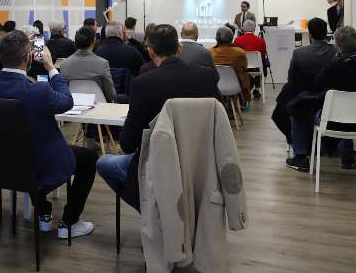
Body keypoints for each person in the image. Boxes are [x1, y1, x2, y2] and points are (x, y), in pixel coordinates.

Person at [0, 31, 98, 239]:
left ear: (0, 55)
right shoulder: (39, 91)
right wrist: (50, 67)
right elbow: (67, 101)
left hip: (1, 167)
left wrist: (2, 55)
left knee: (26, 149)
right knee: (88, 159)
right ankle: (70, 222)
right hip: (39, 168)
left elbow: (4, 78)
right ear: (28, 57)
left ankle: (43, 210)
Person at [96, 24, 220, 210]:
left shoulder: (143, 84)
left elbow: (128, 144)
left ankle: (153, 212)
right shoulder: (208, 77)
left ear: (150, 51)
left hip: (157, 163)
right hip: (200, 163)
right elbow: (218, 122)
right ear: (179, 49)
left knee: (104, 162)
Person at [286, 26, 356, 172]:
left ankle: (300, 157)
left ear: (338, 47)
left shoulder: (333, 68)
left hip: (334, 123)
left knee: (298, 107)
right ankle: (347, 157)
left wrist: (335, 61)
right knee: (349, 111)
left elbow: (317, 85)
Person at [272, 17, 337, 143]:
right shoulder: (335, 52)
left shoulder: (299, 53)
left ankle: (298, 144)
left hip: (303, 99)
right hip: (329, 99)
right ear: (326, 33)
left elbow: (291, 77)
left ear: (310, 34)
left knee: (285, 99)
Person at [59, 27, 116, 101]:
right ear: (93, 41)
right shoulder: (103, 64)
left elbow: (62, 91)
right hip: (98, 105)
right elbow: (111, 94)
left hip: (73, 105)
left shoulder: (64, 64)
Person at [210, 26, 251, 105]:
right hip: (235, 87)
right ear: (231, 38)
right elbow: (244, 67)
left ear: (216, 38)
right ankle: (241, 103)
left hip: (215, 86)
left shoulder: (210, 52)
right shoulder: (240, 52)